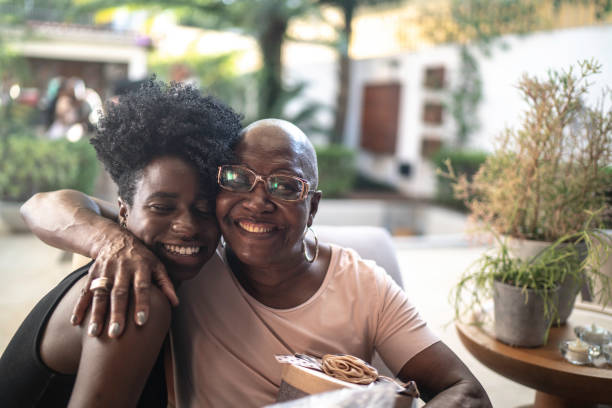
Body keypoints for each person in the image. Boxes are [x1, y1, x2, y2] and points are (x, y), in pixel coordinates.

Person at [21, 119, 492, 407]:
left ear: (315, 207)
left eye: (286, 186)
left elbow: (465, 390)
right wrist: (114, 245)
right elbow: (44, 205)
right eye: (238, 179)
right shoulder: (193, 252)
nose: (258, 202)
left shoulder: (365, 286)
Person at [0, 79, 242, 407]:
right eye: (162, 207)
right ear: (123, 212)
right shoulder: (134, 296)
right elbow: (37, 205)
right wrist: (111, 241)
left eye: (203, 210)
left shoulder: (145, 246)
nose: (187, 225)